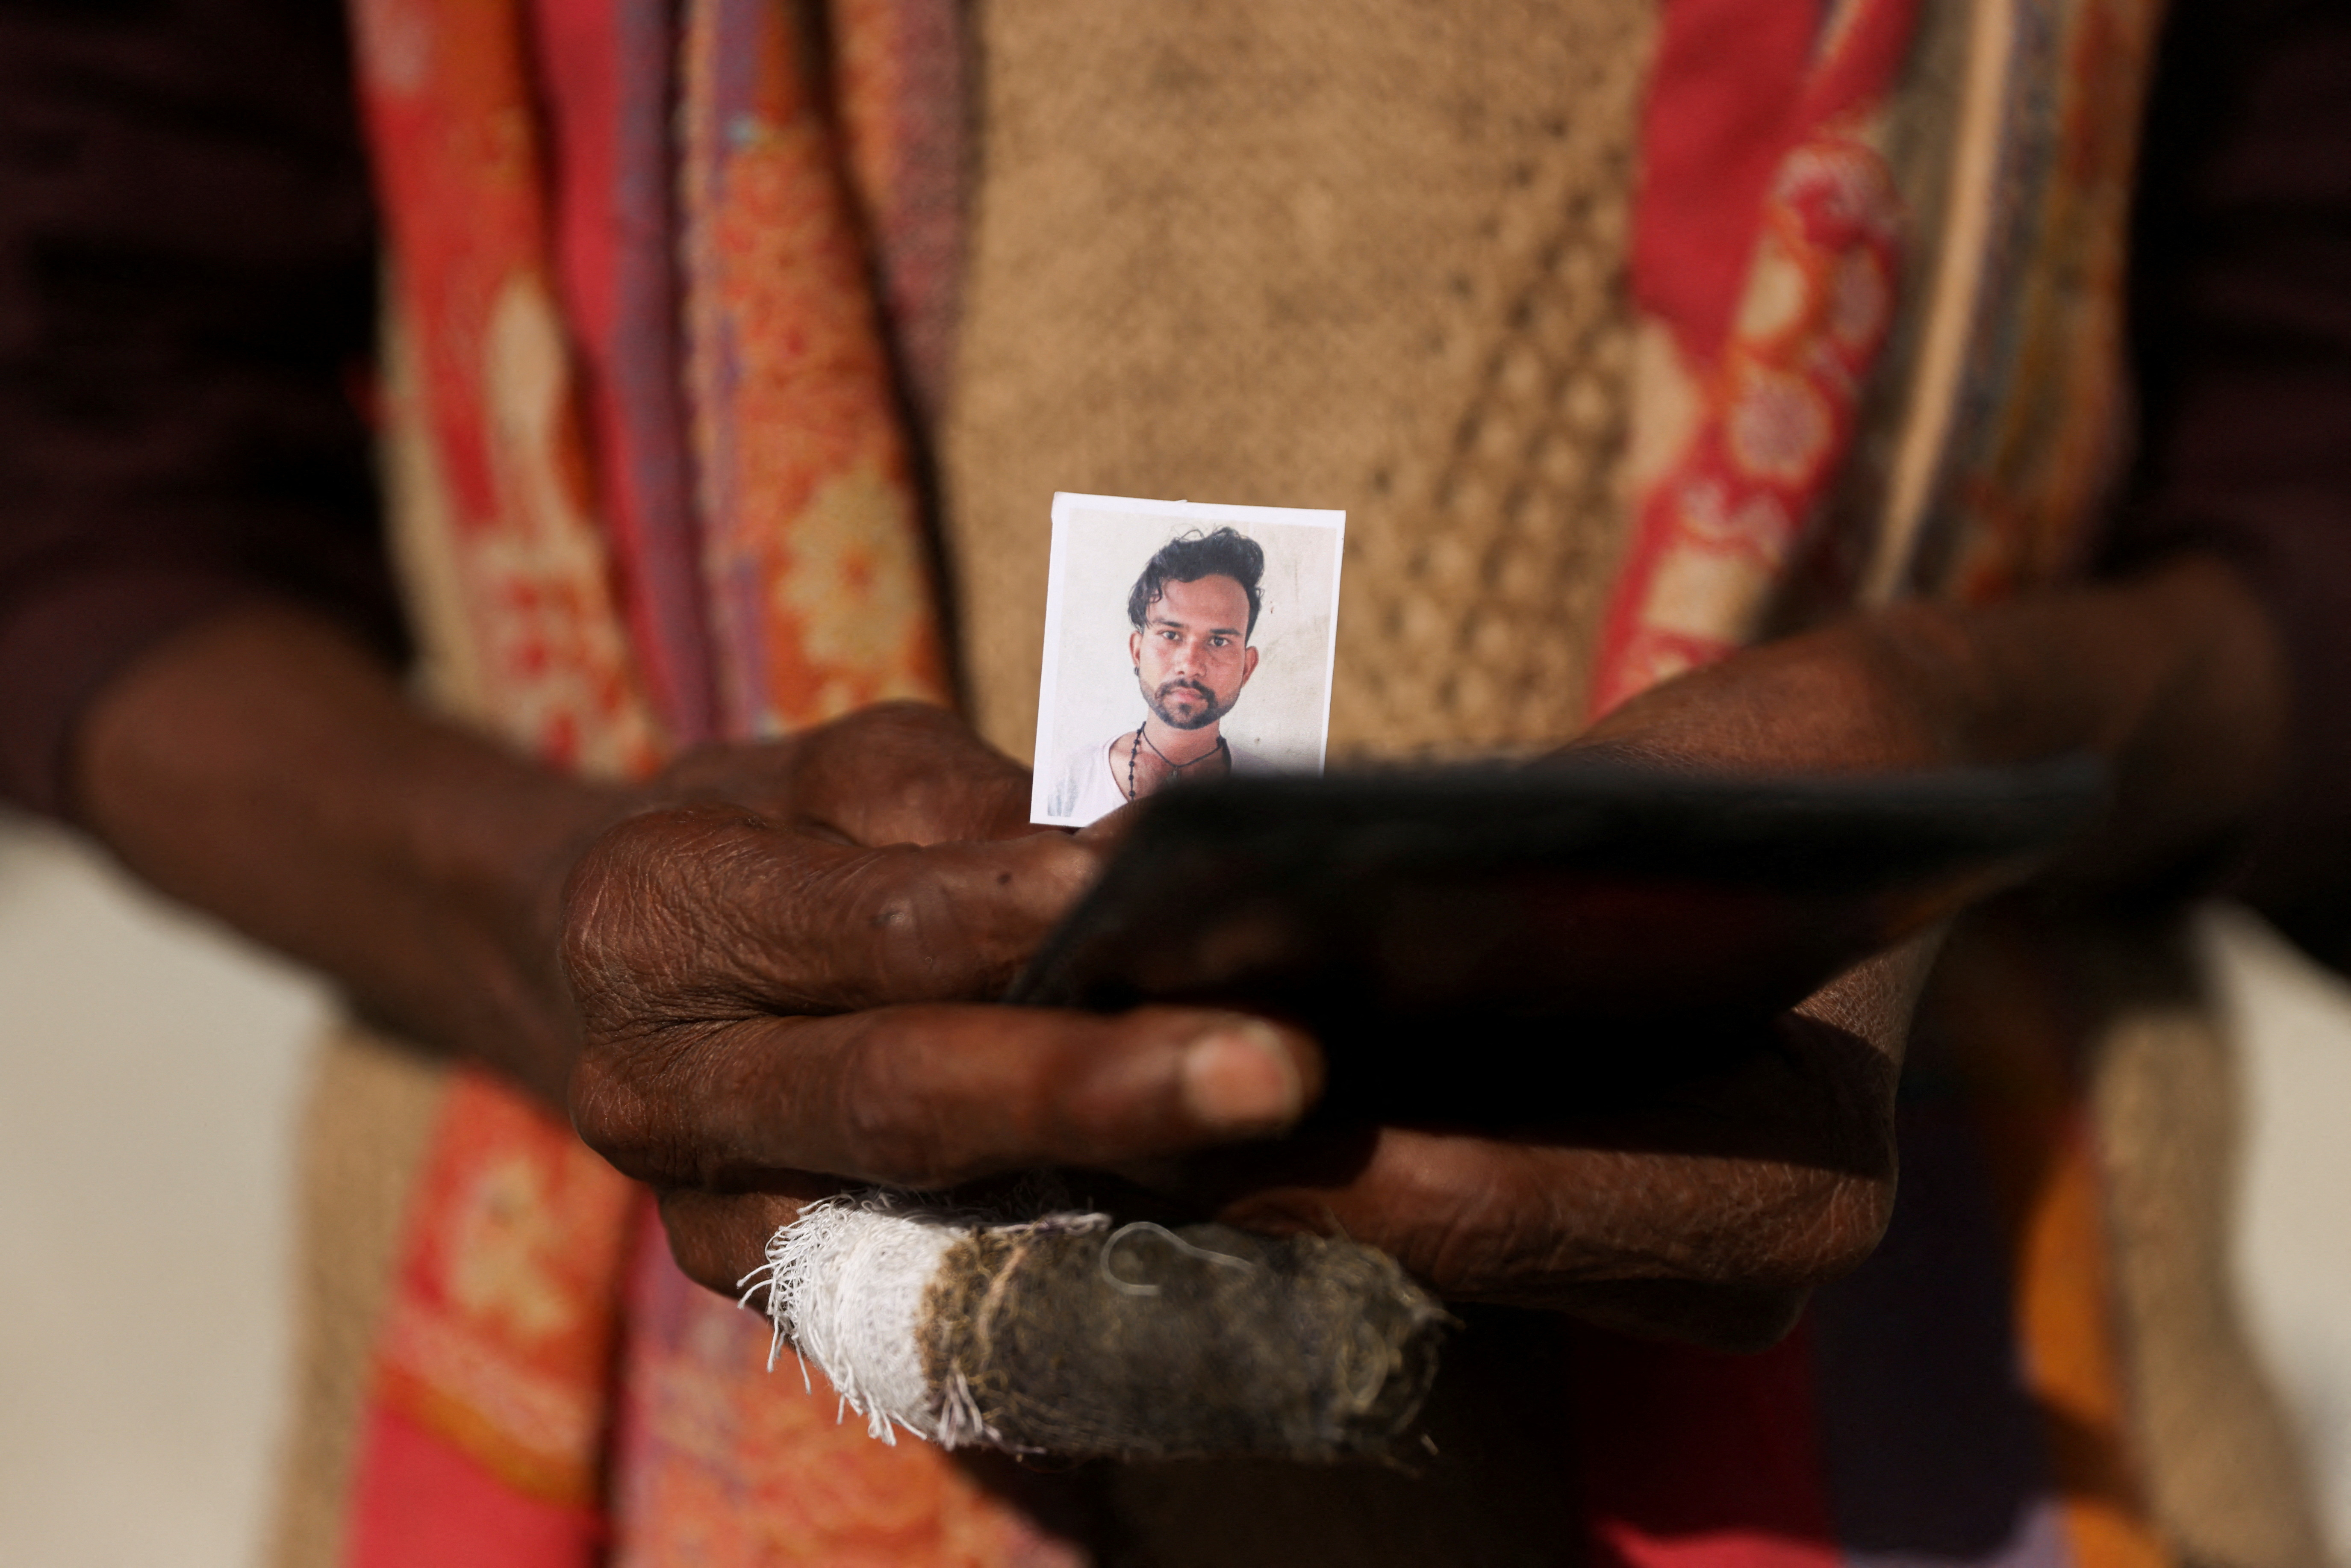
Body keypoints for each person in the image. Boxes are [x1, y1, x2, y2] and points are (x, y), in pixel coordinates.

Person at [0, 1, 2345, 1565]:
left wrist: (1955, 734)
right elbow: (83, 473)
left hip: (1933, 1406)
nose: (1204, 667)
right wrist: (546, 909)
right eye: (1186, 642)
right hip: (640, 1426)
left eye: (1227, 644)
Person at [1043, 526, 1273, 823]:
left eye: (1218, 641)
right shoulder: (1066, 779)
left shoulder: (1278, 799)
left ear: (1247, 667)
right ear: (1137, 652)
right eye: (1171, 635)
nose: (1190, 665)